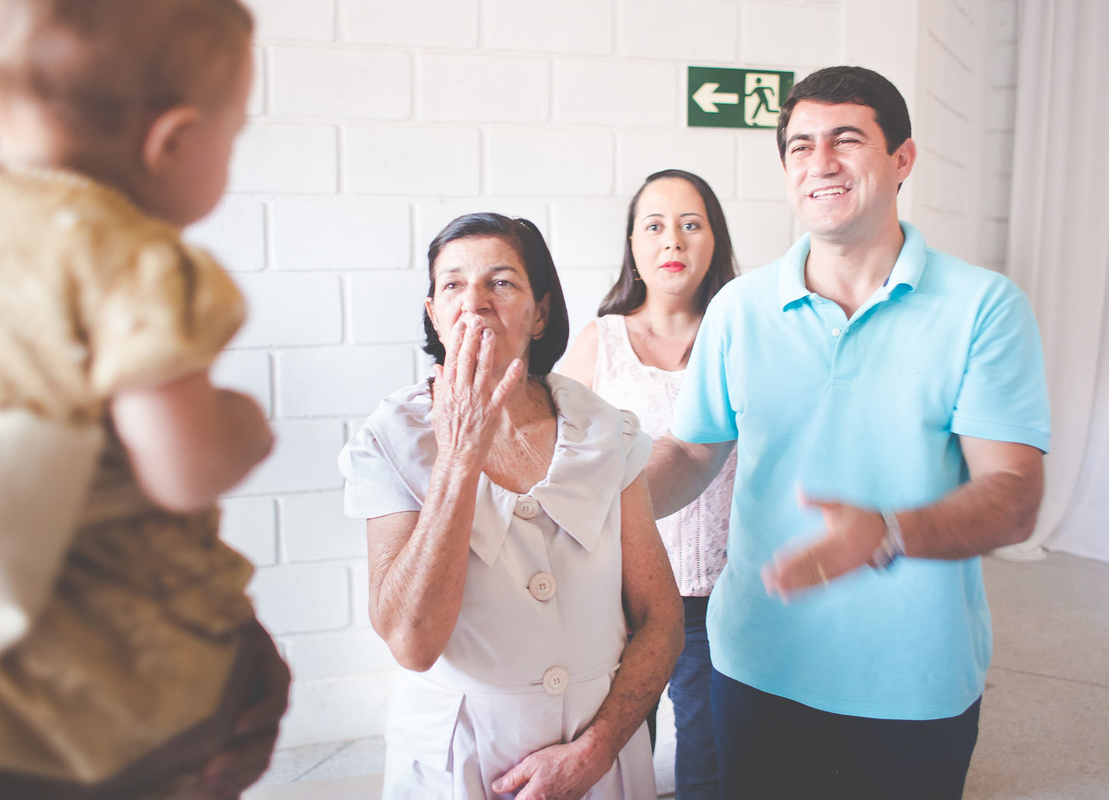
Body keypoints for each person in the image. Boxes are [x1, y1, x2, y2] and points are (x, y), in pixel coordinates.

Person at [0, 1, 289, 797]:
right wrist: (245, 427)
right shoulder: (129, 256)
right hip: (111, 694)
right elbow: (184, 467)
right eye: (236, 132)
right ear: (173, 141)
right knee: (249, 680)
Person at [647, 66, 1050, 800]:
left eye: (846, 139)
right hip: (757, 664)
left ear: (902, 159)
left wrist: (887, 531)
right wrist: (592, 500)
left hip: (912, 683)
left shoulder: (985, 308)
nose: (820, 162)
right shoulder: (739, 308)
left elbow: (1015, 496)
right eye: (800, 146)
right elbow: (690, 452)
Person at [339, 212, 683, 800]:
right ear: (433, 313)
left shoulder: (602, 427)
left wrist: (596, 749)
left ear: (540, 312)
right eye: (452, 285)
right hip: (460, 765)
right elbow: (412, 641)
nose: (474, 303)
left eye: (501, 282)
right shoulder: (389, 437)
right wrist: (458, 454)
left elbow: (661, 619)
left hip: (599, 761)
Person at [559, 168, 737, 800]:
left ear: (715, 240)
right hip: (618, 592)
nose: (674, 243)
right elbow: (555, 463)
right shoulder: (600, 343)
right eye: (655, 226)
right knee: (624, 755)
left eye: (692, 226)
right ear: (632, 244)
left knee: (709, 761)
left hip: (722, 594)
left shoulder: (741, 337)